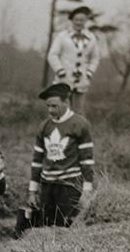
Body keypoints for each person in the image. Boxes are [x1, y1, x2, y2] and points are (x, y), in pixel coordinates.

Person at [30, 82, 95, 227]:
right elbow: (37, 161)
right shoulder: (44, 126)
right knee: (45, 228)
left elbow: (87, 160)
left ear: (66, 102)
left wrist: (87, 190)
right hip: (47, 186)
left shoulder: (80, 124)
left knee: (65, 228)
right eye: (48, 106)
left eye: (54, 106)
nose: (50, 110)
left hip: (69, 186)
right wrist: (32, 191)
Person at [47, 5, 101, 113]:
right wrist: (60, 71)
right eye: (76, 20)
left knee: (78, 113)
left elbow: (95, 58)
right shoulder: (62, 36)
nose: (79, 23)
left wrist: (89, 73)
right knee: (60, 111)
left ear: (86, 21)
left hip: (81, 82)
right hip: (63, 80)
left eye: (82, 20)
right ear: (71, 20)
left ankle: (76, 130)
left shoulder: (91, 37)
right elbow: (52, 55)